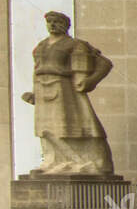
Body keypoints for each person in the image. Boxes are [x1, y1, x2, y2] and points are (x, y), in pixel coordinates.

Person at [21, 11, 115, 175]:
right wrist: (34, 93)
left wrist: (90, 80)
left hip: (64, 88)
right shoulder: (41, 46)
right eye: (49, 21)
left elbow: (104, 63)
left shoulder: (75, 44)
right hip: (43, 88)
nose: (52, 24)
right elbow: (37, 71)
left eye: (57, 21)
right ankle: (52, 160)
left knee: (67, 126)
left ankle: (79, 162)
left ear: (66, 25)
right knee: (46, 128)